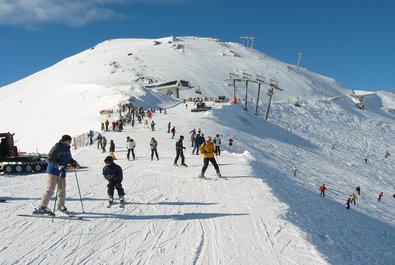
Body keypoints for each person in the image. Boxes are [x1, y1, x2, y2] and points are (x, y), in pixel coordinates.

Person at [36, 135, 78, 214]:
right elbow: (49, 158)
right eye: (69, 141)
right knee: (50, 189)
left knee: (62, 189)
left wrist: (73, 162)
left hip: (62, 171)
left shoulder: (67, 148)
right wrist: (58, 165)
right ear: (65, 141)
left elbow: (69, 158)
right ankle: (42, 206)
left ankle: (60, 205)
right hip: (53, 171)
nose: (70, 143)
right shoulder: (57, 147)